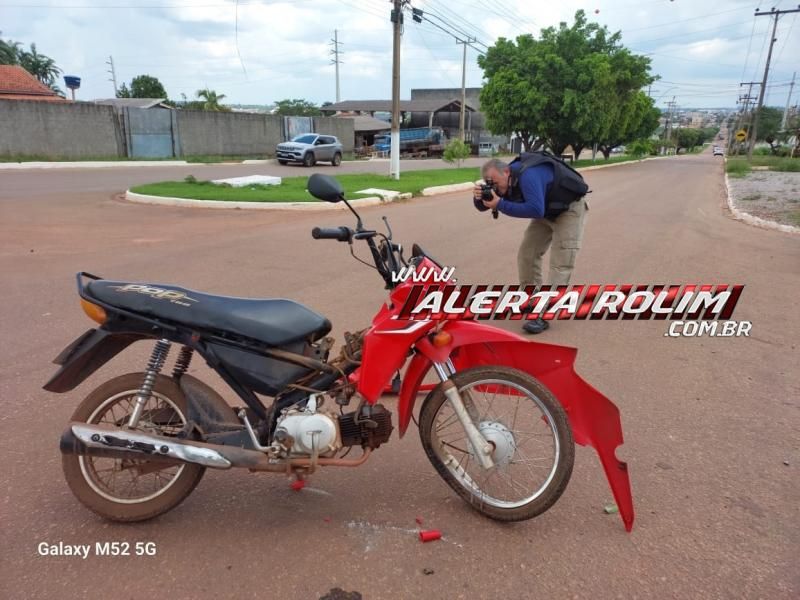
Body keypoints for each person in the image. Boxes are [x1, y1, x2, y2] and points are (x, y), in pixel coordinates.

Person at [474, 155, 589, 334]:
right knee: (527, 254)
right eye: (490, 184)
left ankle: (543, 313)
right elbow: (486, 206)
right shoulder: (507, 179)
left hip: (569, 211)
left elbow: (535, 209)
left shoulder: (529, 175)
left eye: (495, 182)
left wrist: (500, 204)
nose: (495, 188)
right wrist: (480, 197)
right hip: (546, 211)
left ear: (506, 171)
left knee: (560, 263)